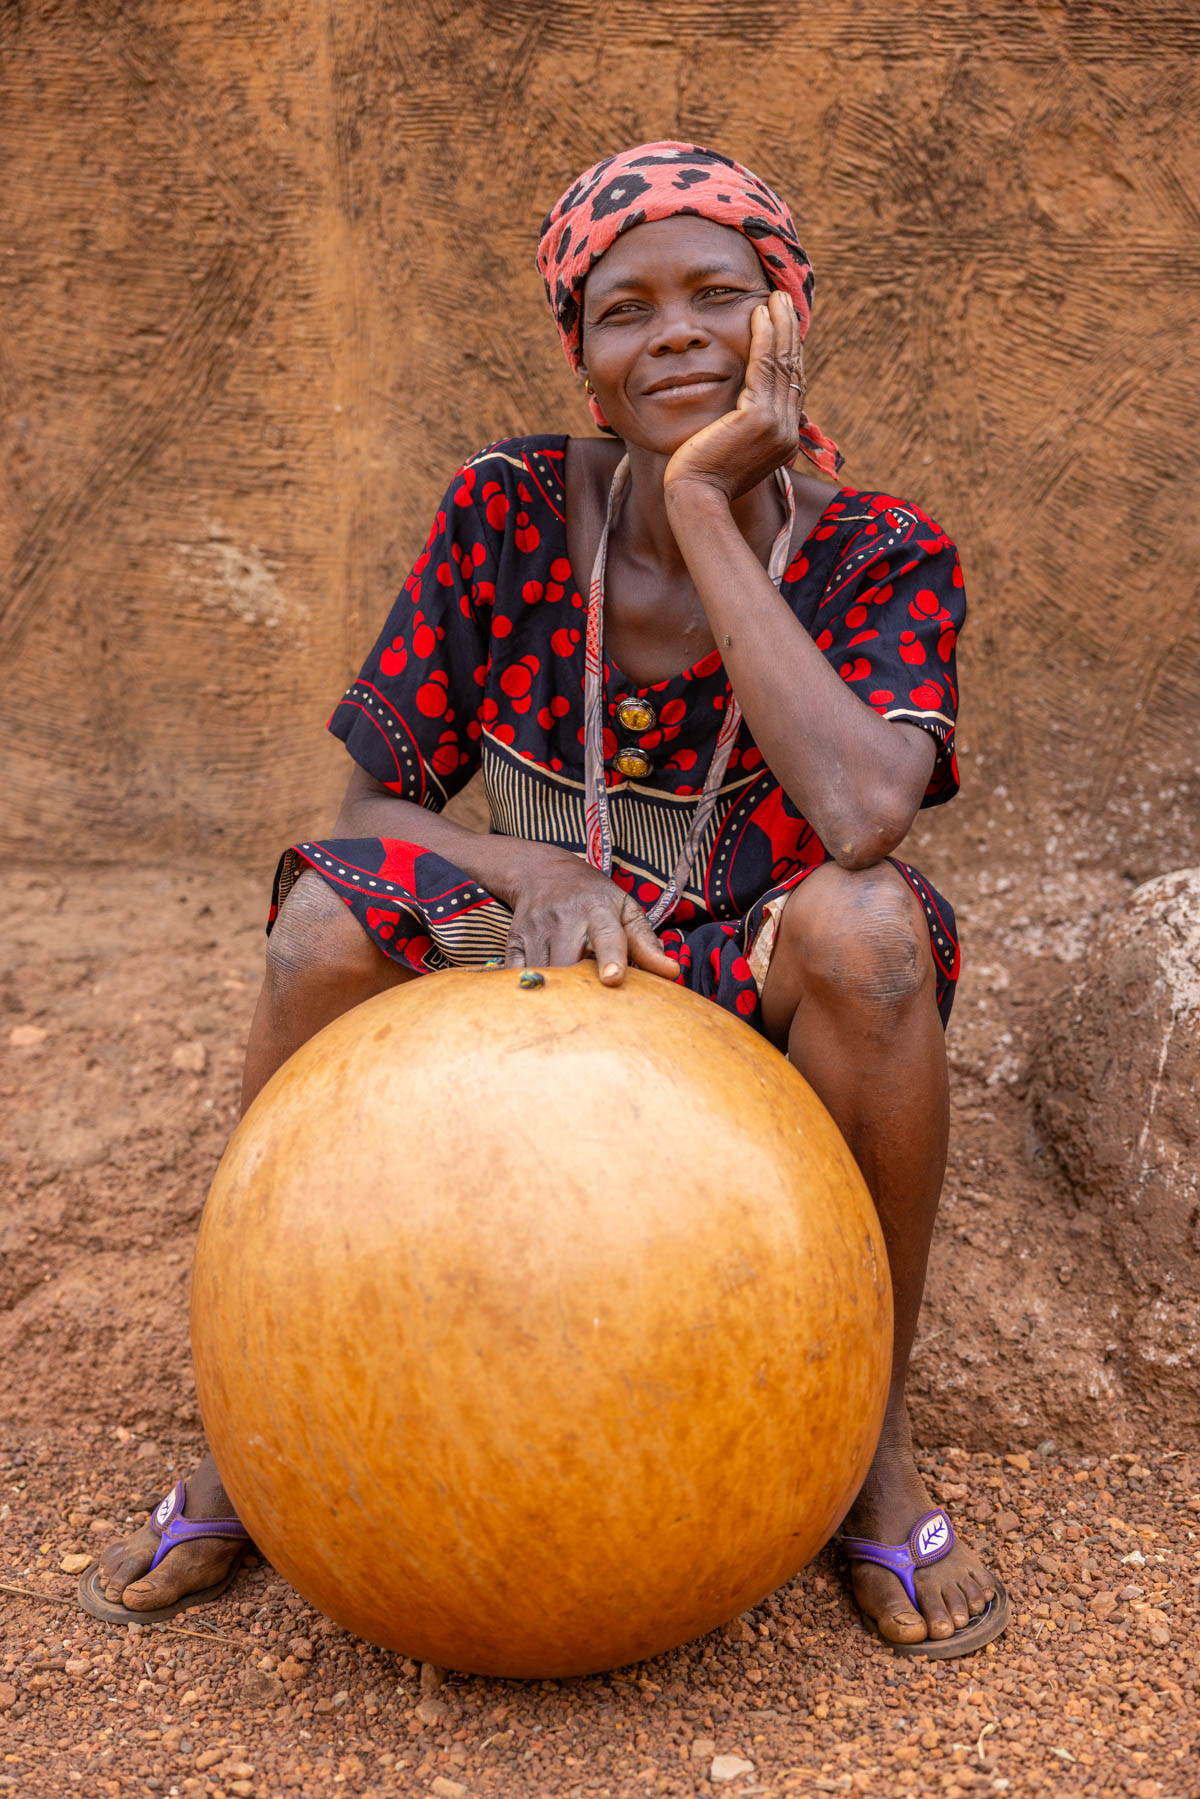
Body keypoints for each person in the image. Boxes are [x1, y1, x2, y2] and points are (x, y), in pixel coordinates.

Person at [89, 142, 1006, 1655]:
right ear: (582, 356)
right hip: (525, 944)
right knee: (325, 917)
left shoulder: (884, 551)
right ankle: (246, 1443)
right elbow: (371, 808)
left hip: (740, 967)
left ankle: (873, 1452)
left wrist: (706, 510)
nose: (679, 335)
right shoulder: (505, 511)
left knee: (878, 936)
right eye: (627, 308)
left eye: (722, 295)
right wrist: (544, 871)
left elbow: (858, 815)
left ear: (788, 323)